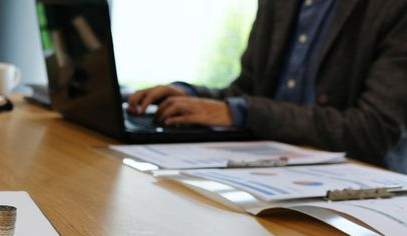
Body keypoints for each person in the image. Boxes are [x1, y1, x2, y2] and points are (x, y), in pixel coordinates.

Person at [128, 0, 407, 173]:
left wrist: (242, 111)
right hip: (268, 174)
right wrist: (191, 96)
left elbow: (373, 131)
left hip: (355, 188)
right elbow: (249, 93)